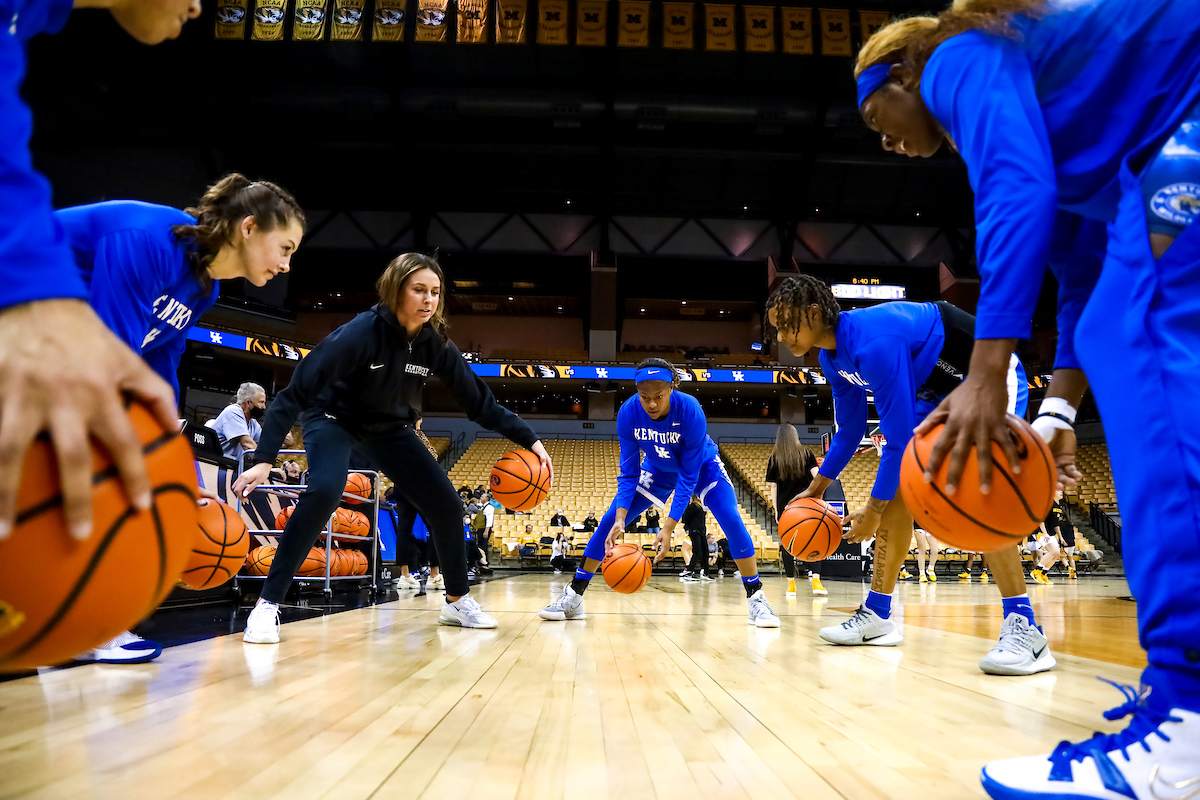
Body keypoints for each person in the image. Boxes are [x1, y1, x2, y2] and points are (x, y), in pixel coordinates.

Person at [856, 2, 1200, 790]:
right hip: (1170, 135)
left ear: (908, 75)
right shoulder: (1072, 124)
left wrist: (986, 374)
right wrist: (1056, 410)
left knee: (1137, 332)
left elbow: (1015, 192)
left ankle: (1187, 723)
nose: (884, 140)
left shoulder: (956, 58)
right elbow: (1081, 272)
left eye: (879, 115)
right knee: (1123, 321)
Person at [235, 253, 552, 640]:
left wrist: (530, 439)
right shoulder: (359, 333)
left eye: (435, 292)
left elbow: (479, 403)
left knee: (447, 506)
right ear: (395, 289)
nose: (428, 300)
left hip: (389, 427)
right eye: (419, 290)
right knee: (324, 491)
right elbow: (292, 395)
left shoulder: (433, 343)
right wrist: (265, 460)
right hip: (333, 417)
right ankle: (266, 606)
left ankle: (456, 602)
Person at [57, 174, 304, 664]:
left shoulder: (203, 288)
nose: (286, 265)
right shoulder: (146, 241)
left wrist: (185, 472)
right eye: (285, 248)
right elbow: (112, 358)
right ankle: (84, 621)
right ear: (249, 227)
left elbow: (160, 364)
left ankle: (78, 620)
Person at [768, 276, 1049, 677]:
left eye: (784, 324)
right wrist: (814, 490)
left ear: (813, 314)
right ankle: (879, 615)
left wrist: (872, 510)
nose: (779, 335)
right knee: (898, 487)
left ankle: (1027, 630)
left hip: (987, 372)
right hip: (936, 390)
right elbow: (849, 431)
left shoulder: (872, 343)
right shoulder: (831, 358)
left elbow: (898, 441)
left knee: (976, 491)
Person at [0, 0, 204, 547]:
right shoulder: (153, 240)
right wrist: (30, 293)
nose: (197, 7)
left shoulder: (28, 15)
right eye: (284, 246)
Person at [539, 358, 779, 627]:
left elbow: (688, 477)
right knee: (607, 523)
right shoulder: (629, 413)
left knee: (731, 519)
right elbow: (628, 472)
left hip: (702, 466)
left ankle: (756, 598)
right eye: (644, 397)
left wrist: (668, 527)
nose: (651, 404)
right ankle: (574, 596)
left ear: (671, 389)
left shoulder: (690, 410)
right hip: (658, 469)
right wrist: (621, 517)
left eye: (658, 397)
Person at [765, 423, 825, 597]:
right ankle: (816, 581)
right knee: (815, 541)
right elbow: (817, 477)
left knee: (787, 545)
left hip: (787, 508)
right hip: (808, 505)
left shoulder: (774, 458)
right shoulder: (807, 453)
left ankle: (791, 584)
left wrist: (777, 510)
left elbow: (774, 488)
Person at [212, 382, 293, 463]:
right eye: (261, 402)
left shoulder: (252, 423)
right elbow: (247, 444)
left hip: (230, 466)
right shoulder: (233, 411)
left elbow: (264, 445)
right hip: (215, 464)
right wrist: (265, 467)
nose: (264, 407)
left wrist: (283, 439)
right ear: (248, 403)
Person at [679, 496, 712, 581]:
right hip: (694, 530)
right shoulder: (692, 506)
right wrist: (687, 528)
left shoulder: (701, 507)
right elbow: (685, 518)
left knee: (705, 552)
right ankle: (689, 571)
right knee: (697, 551)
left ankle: (706, 572)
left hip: (701, 531)